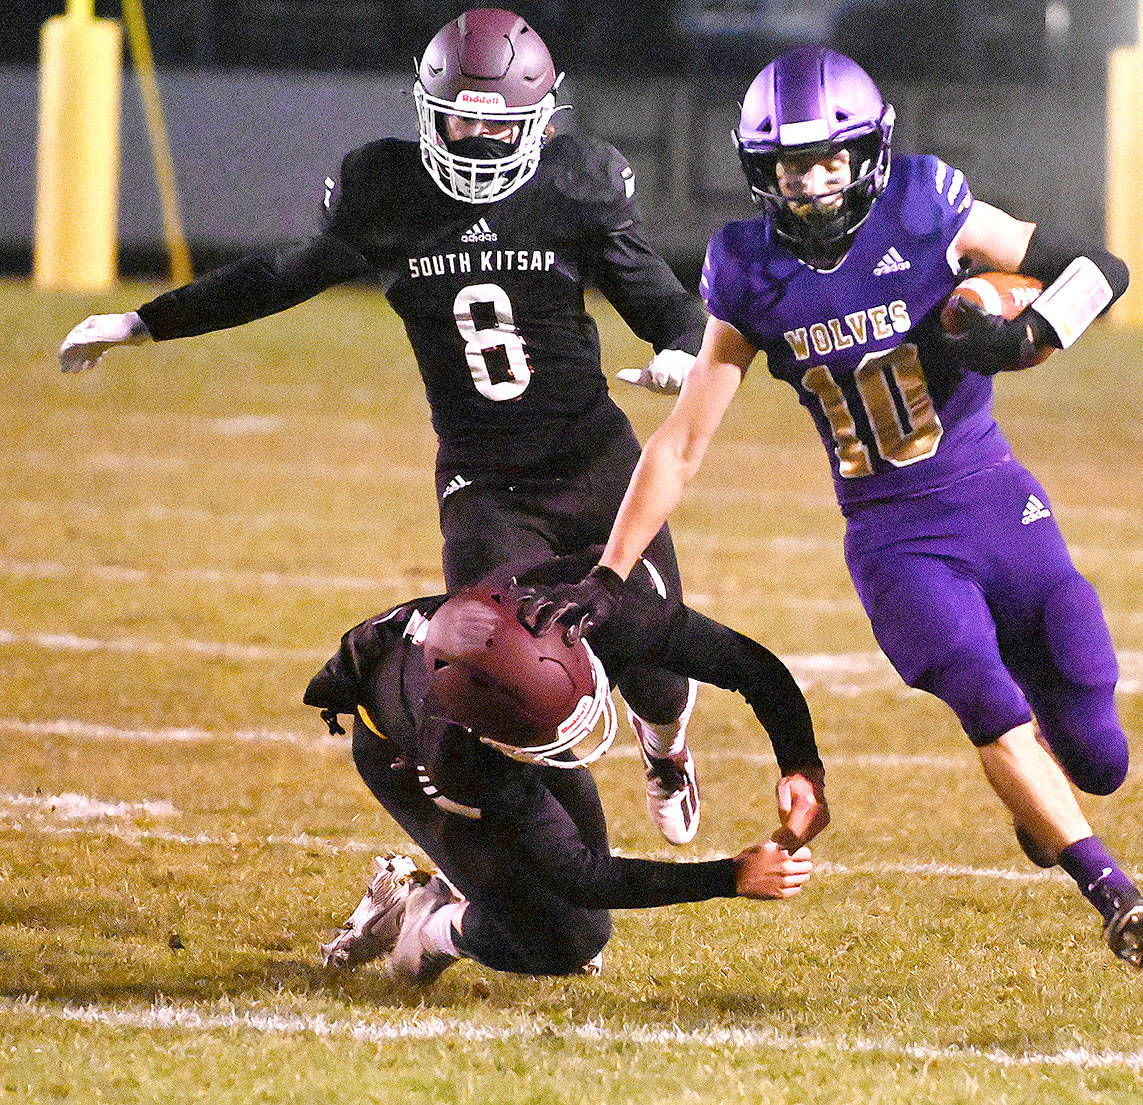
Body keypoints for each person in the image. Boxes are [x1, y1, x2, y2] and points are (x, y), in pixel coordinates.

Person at [522, 47, 1143, 970]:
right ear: (764, 171)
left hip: (993, 493)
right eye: (795, 164)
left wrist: (1029, 331)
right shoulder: (746, 270)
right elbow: (682, 441)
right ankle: (1114, 891)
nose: (818, 181)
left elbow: (1097, 261)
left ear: (870, 151)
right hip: (893, 535)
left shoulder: (928, 202)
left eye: (835, 158)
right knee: (985, 698)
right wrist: (609, 569)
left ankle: (1049, 803)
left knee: (1099, 751)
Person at [56, 8, 706, 847]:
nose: (474, 140)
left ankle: (666, 750)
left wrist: (683, 354)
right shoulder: (389, 189)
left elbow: (662, 297)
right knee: (493, 670)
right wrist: (148, 321)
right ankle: (553, 872)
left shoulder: (576, 182)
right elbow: (281, 276)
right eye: (460, 118)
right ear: (427, 113)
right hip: (481, 478)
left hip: (592, 459)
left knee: (652, 661)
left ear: (542, 123)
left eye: (497, 124)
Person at [304, 558, 826, 982]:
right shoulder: (454, 752)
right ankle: (429, 922)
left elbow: (750, 666)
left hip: (480, 710)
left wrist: (801, 764)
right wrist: (730, 876)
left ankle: (467, 892)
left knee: (572, 881)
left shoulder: (593, 615)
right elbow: (580, 878)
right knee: (567, 940)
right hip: (400, 755)